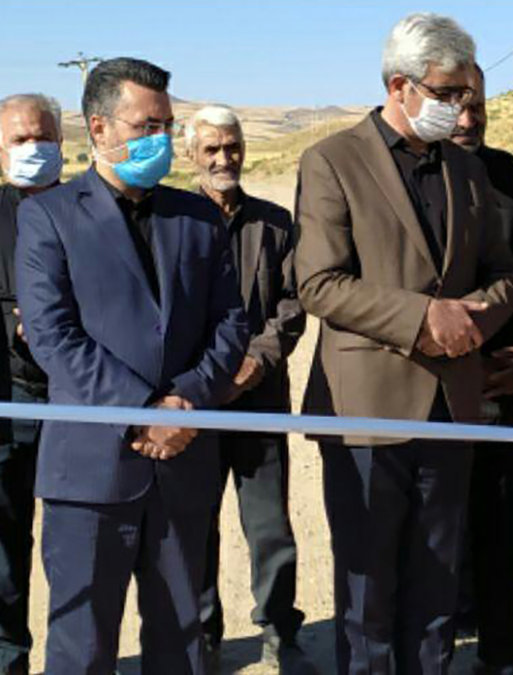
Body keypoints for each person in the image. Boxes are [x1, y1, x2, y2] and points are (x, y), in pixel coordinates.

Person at [293, 13, 513, 674]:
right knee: (368, 591)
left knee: (437, 583)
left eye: (465, 97)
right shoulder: (332, 160)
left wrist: (476, 316)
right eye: (447, 95)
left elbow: (504, 274)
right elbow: (320, 282)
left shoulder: (468, 172)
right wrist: (424, 317)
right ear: (401, 86)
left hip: (452, 407)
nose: (460, 109)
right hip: (366, 409)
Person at [14, 57, 248, 673]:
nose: (162, 139)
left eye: (168, 125)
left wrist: (185, 403)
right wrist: (143, 412)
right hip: (91, 472)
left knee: (180, 641)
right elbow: (52, 335)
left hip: (183, 460)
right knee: (82, 646)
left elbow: (231, 324)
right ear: (99, 128)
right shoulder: (48, 217)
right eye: (147, 125)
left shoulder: (197, 218)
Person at [184, 105, 313, 674]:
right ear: (191, 154)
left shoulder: (275, 223)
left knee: (269, 526)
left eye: (231, 146)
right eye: (210, 148)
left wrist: (256, 362)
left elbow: (291, 305)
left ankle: (281, 632)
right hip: (196, 400)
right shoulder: (173, 220)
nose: (223, 158)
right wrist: (208, 377)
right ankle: (201, 635)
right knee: (195, 523)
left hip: (259, 399)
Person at [449, 64, 513, 675]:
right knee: (441, 525)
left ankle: (505, 654)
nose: (468, 116)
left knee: (510, 521)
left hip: (510, 384)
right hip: (440, 385)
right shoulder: (411, 177)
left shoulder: (509, 174)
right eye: (455, 102)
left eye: (478, 103)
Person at [0, 92, 59, 675]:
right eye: (19, 140)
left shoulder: (90, 212)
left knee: (77, 548)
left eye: (42, 137)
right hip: (8, 404)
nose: (32, 149)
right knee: (5, 552)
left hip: (78, 401)